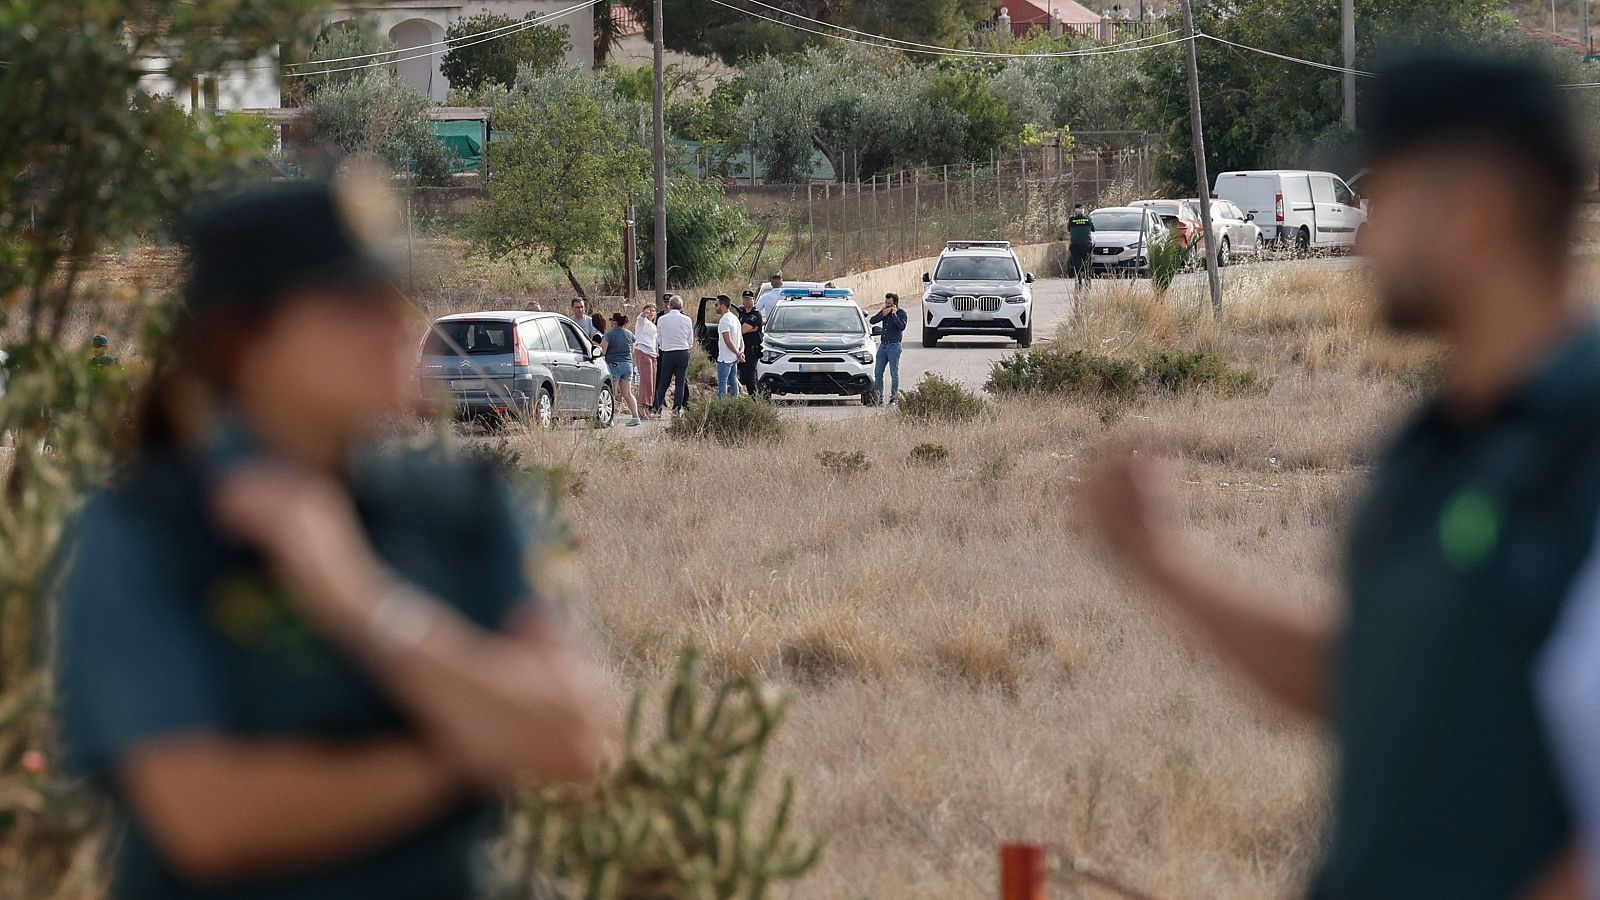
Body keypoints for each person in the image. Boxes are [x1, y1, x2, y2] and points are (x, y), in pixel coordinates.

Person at [1087, 55, 1593, 900]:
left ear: (1475, 212)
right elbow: (1373, 681)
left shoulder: (1584, 448)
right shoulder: (1435, 445)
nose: (1360, 236)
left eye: (1382, 200)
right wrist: (1163, 564)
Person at [54, 179, 614, 899]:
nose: (396, 322)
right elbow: (211, 818)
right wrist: (468, 745)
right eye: (352, 301)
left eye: (393, 291)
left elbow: (574, 739)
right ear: (241, 337)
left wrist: (362, 600)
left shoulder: (459, 503)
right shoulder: (148, 531)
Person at [652, 295, 693, 415]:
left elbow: (658, 338)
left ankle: (656, 408)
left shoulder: (662, 319)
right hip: (682, 352)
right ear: (681, 306)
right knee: (680, 383)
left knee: (664, 382)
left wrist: (663, 347)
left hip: (668, 353)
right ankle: (676, 409)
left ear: (669, 305)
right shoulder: (687, 319)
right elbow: (690, 340)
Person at [601, 312, 641, 427]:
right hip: (628, 365)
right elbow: (632, 349)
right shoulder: (629, 334)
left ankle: (610, 418)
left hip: (614, 364)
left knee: (612, 393)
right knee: (627, 393)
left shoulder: (609, 335)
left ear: (615, 322)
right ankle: (635, 416)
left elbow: (603, 351)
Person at [868, 292, 907, 405]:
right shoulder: (884, 311)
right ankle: (878, 399)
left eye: (889, 303)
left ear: (894, 304)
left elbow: (902, 326)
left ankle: (894, 398)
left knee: (894, 373)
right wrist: (882, 314)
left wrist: (894, 315)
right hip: (883, 345)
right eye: (886, 303)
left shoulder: (901, 313)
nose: (887, 305)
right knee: (878, 372)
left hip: (894, 346)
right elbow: (872, 320)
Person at [633, 301, 659, 420]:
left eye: (653, 311)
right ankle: (641, 406)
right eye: (649, 310)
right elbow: (641, 317)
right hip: (643, 351)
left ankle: (647, 406)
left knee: (651, 382)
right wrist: (644, 313)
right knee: (645, 380)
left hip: (652, 353)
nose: (651, 313)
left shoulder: (653, 325)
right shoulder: (642, 322)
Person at [714, 295, 743, 399]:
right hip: (733, 358)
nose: (715, 307)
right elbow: (740, 339)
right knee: (733, 380)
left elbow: (728, 340)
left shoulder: (724, 320)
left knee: (723, 382)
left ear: (722, 306)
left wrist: (737, 353)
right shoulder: (735, 318)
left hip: (725, 357)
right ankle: (735, 401)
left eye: (716, 305)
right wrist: (740, 352)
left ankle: (722, 405)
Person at [738, 289, 763, 396]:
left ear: (754, 300)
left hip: (752, 351)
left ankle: (755, 402)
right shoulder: (742, 313)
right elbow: (740, 330)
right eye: (745, 299)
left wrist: (742, 330)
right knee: (743, 378)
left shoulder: (755, 314)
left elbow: (742, 330)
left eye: (749, 299)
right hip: (742, 350)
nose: (747, 301)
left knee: (750, 380)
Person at [1067, 203, 1094, 293]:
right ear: (1083, 211)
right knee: (1087, 264)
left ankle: (1079, 281)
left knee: (1077, 265)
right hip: (1087, 245)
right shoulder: (1088, 220)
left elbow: (1069, 229)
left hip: (1075, 245)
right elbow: (1093, 229)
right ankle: (1088, 280)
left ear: (1075, 211)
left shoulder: (1072, 220)